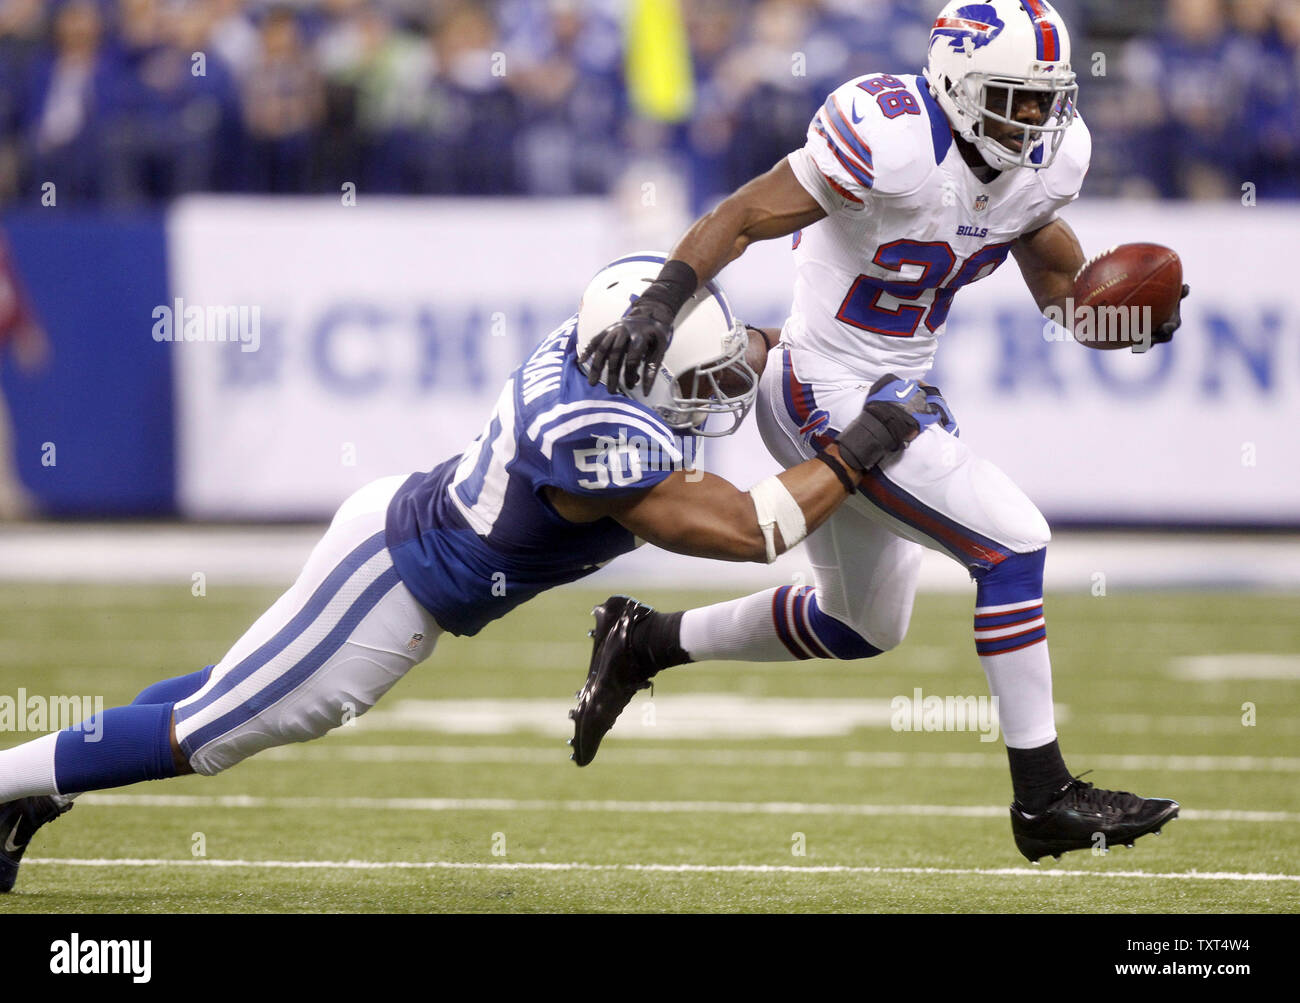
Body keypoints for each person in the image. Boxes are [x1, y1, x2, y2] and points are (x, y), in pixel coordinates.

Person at [0, 253, 938, 893]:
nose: (721, 392)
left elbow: (733, 353)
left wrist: (827, 356)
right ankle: (19, 780)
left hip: (397, 535)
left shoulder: (607, 349)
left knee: (222, 695)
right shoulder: (596, 435)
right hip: (395, 582)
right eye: (696, 383)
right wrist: (867, 439)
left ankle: (47, 784)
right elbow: (750, 531)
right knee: (207, 730)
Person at [572, 0, 1185, 863]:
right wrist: (660, 301)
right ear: (958, 87)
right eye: (1018, 98)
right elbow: (745, 213)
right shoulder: (892, 136)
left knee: (863, 624)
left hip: (895, 387)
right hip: (824, 384)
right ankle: (1045, 797)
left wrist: (1100, 318)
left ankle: (644, 641)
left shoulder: (1045, 162)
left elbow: (1045, 262)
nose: (1040, 119)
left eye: (1050, 99)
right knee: (1013, 543)